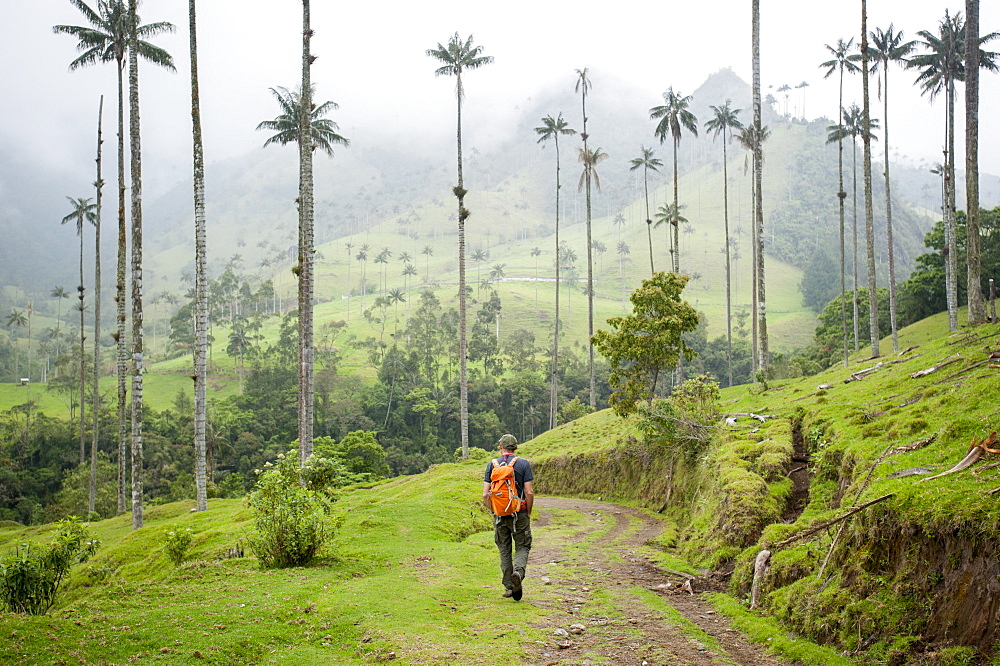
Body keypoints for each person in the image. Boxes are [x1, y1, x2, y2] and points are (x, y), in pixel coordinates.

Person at [482, 433, 533, 600]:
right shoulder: (523, 464)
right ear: (516, 447)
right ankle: (518, 572)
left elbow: (485, 495)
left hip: (500, 515)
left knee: (504, 550)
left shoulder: (492, 465)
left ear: (500, 447)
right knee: (522, 546)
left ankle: (509, 587)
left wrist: (494, 510)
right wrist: (528, 511)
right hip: (520, 513)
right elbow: (529, 491)